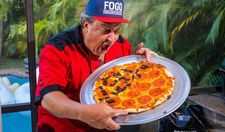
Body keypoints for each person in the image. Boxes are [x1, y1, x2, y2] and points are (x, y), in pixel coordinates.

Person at [35, 0, 155, 131]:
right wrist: (83, 113)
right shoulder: (59, 48)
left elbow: (129, 79)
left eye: (116, 30)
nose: (112, 39)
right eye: (106, 30)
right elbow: (49, 98)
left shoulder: (121, 44)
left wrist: (139, 60)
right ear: (86, 25)